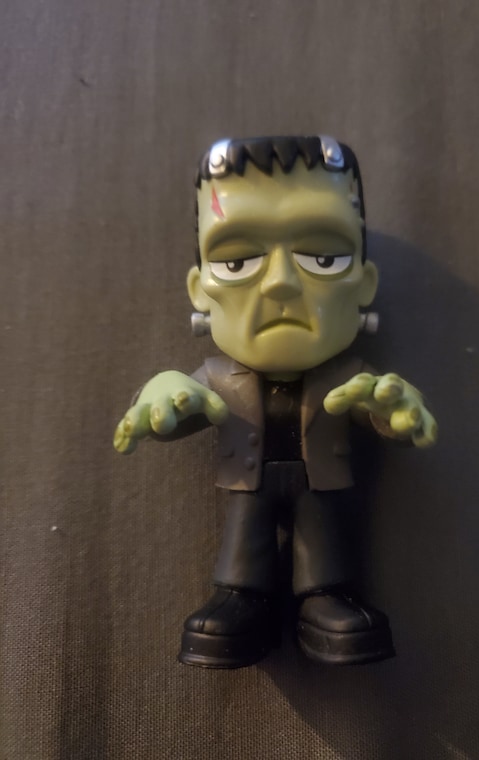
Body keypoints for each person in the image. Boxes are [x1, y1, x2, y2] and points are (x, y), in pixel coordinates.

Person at [114, 136, 437, 668]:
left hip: (319, 481)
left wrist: (395, 412)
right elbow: (184, 405)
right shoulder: (218, 376)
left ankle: (325, 596)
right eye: (237, 261)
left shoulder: (348, 377)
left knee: (320, 532)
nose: (282, 283)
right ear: (200, 290)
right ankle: (240, 597)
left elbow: (378, 409)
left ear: (364, 284)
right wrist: (162, 397)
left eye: (323, 257)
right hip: (251, 482)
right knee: (245, 535)